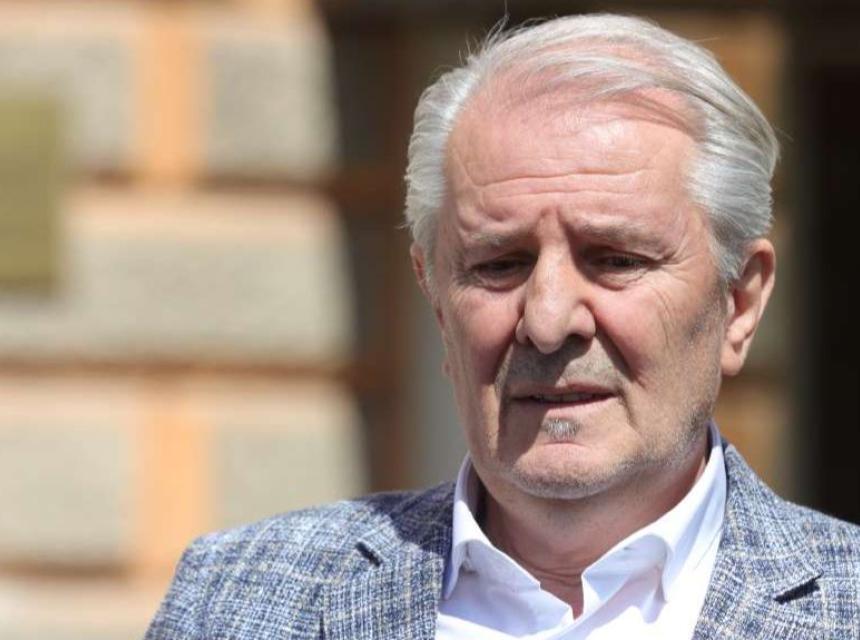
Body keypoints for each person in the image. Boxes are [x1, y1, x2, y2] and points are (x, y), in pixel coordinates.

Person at [145, 14, 860, 639]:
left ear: (739, 303)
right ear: (436, 300)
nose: (547, 322)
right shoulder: (237, 602)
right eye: (499, 264)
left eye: (615, 259)